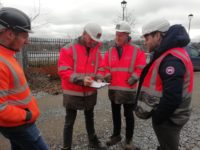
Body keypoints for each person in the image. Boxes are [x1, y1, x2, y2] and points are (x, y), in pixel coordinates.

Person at [135, 18, 194, 150]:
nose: (145, 42)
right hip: (171, 116)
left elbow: (172, 98)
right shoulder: (170, 54)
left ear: (158, 35)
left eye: (147, 38)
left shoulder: (171, 59)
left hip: (170, 119)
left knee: (168, 145)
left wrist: (158, 117)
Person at [0, 7, 49, 150]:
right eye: (24, 36)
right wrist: (27, 115)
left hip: (18, 124)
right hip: (20, 126)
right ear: (9, 34)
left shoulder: (7, 56)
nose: (26, 41)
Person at [58, 22, 106, 150]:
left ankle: (93, 142)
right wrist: (80, 79)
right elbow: (63, 70)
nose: (93, 42)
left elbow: (101, 67)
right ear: (84, 34)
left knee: (90, 117)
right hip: (72, 92)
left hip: (90, 91)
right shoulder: (68, 48)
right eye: (91, 39)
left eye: (95, 40)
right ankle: (66, 147)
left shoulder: (96, 50)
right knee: (69, 121)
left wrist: (100, 77)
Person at [104, 21, 146, 150]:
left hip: (129, 90)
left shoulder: (136, 50)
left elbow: (141, 67)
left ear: (128, 35)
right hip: (114, 89)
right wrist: (106, 74)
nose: (118, 37)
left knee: (128, 116)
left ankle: (128, 141)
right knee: (115, 114)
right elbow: (104, 67)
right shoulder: (110, 51)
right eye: (117, 34)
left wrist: (134, 77)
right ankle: (116, 135)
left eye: (121, 35)